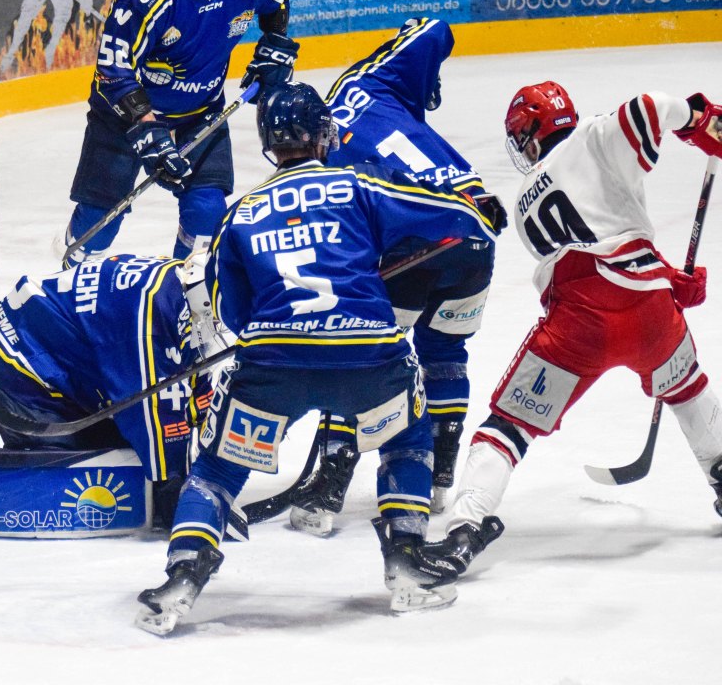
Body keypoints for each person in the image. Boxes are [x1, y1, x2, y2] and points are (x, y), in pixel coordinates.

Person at [134, 81, 503, 635]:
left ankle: (183, 577)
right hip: (369, 362)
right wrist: (472, 214)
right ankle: (406, 562)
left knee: (213, 472)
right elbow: (456, 219)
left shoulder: (241, 213)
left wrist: (284, 331)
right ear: (322, 135)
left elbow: (226, 308)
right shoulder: (358, 185)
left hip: (270, 368)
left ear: (268, 143)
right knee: (406, 437)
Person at [421, 83, 722, 579]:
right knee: (688, 388)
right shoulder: (597, 135)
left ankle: (464, 530)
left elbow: (585, 255)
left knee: (507, 427)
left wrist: (662, 274)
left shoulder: (522, 204)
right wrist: (700, 120)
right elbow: (651, 106)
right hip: (649, 312)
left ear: (532, 137)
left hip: (578, 323)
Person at [287, 16, 504, 537]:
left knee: (357, 359)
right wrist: (423, 80)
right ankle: (437, 476)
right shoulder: (365, 83)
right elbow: (433, 29)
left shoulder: (320, 170)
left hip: (414, 246)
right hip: (476, 231)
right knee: (446, 354)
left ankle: (326, 491)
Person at [0, 253, 219, 537]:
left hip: (50, 357)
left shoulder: (177, 284)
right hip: (14, 367)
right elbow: (150, 410)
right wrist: (174, 489)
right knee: (108, 467)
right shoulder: (145, 324)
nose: (220, 324)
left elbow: (185, 376)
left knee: (137, 455)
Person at [57, 0, 295, 266]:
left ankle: (185, 302)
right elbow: (112, 68)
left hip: (200, 112)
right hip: (124, 118)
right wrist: (147, 125)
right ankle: (75, 287)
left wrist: (275, 43)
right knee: (99, 220)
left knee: (206, 214)